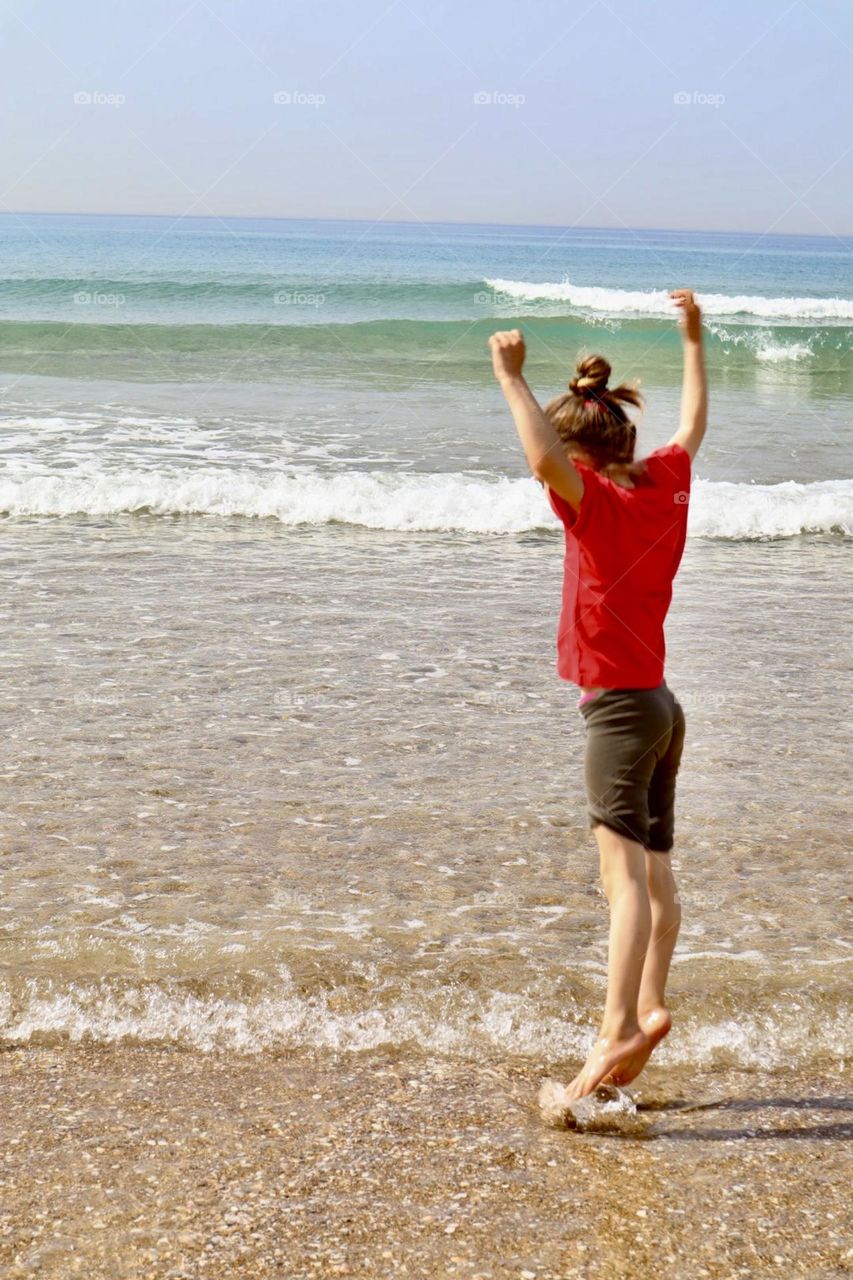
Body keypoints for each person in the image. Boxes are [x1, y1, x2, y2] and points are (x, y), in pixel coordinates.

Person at [488, 290, 707, 1099]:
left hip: (617, 710)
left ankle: (616, 1024)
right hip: (661, 706)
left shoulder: (593, 505)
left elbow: (544, 459)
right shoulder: (663, 485)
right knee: (654, 877)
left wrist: (509, 379)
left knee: (622, 886)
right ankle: (650, 1004)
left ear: (583, 463)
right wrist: (693, 338)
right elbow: (689, 428)